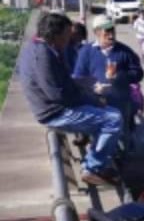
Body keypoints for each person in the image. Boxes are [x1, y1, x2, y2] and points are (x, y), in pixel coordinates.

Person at [16, 11, 123, 186]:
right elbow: (58, 94)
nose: (68, 40)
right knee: (113, 119)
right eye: (66, 35)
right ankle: (92, 168)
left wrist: (86, 84)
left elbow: (62, 83)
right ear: (55, 34)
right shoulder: (42, 55)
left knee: (110, 114)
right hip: (54, 112)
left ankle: (96, 162)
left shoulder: (40, 47)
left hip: (56, 106)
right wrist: (94, 100)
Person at [72, 14, 143, 140]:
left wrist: (121, 76)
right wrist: (93, 87)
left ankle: (124, 154)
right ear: (97, 32)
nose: (111, 34)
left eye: (112, 30)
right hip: (96, 101)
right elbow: (78, 76)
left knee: (122, 132)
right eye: (107, 31)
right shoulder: (86, 52)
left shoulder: (124, 51)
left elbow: (138, 73)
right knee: (99, 134)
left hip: (120, 100)